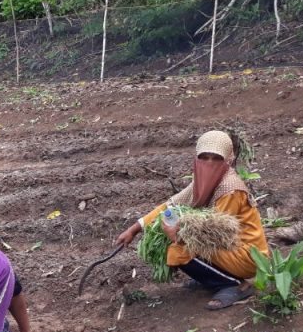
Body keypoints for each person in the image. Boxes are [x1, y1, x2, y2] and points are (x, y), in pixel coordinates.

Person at [115, 130, 269, 310]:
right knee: (174, 242)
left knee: (179, 249)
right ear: (197, 159)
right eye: (204, 157)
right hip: (230, 249)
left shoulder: (230, 189)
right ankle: (214, 278)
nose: (209, 163)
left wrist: (178, 236)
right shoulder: (203, 181)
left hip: (247, 255)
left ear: (228, 160)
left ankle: (235, 285)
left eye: (216, 158)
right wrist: (134, 229)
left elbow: (216, 235)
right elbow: (170, 206)